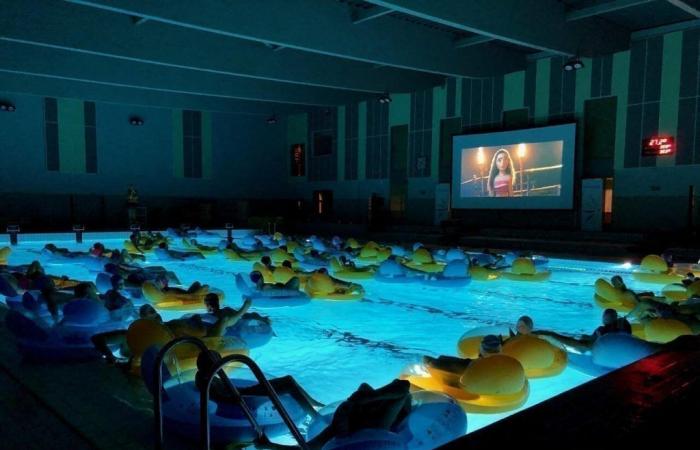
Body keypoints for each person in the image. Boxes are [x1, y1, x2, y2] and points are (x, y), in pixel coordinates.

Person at [423, 334, 503, 375]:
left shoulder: (467, 366)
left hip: (467, 371)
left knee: (433, 360)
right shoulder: (508, 365)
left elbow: (429, 361)